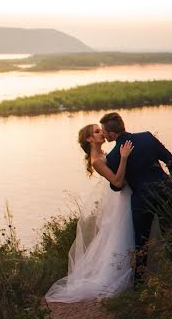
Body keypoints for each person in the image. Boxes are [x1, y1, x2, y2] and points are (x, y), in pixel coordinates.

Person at [44, 124, 136, 302]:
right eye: (96, 131)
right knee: (121, 235)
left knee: (120, 235)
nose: (101, 132)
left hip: (118, 200)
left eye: (100, 130)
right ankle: (119, 276)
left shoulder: (103, 153)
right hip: (119, 199)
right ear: (89, 139)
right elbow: (117, 182)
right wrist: (124, 158)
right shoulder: (97, 160)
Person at [100, 111, 172, 287]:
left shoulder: (113, 157)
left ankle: (139, 284)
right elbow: (171, 162)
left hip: (141, 200)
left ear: (112, 135)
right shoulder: (146, 137)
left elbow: (117, 186)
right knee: (171, 233)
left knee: (141, 243)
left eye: (104, 131)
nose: (104, 134)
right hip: (164, 191)